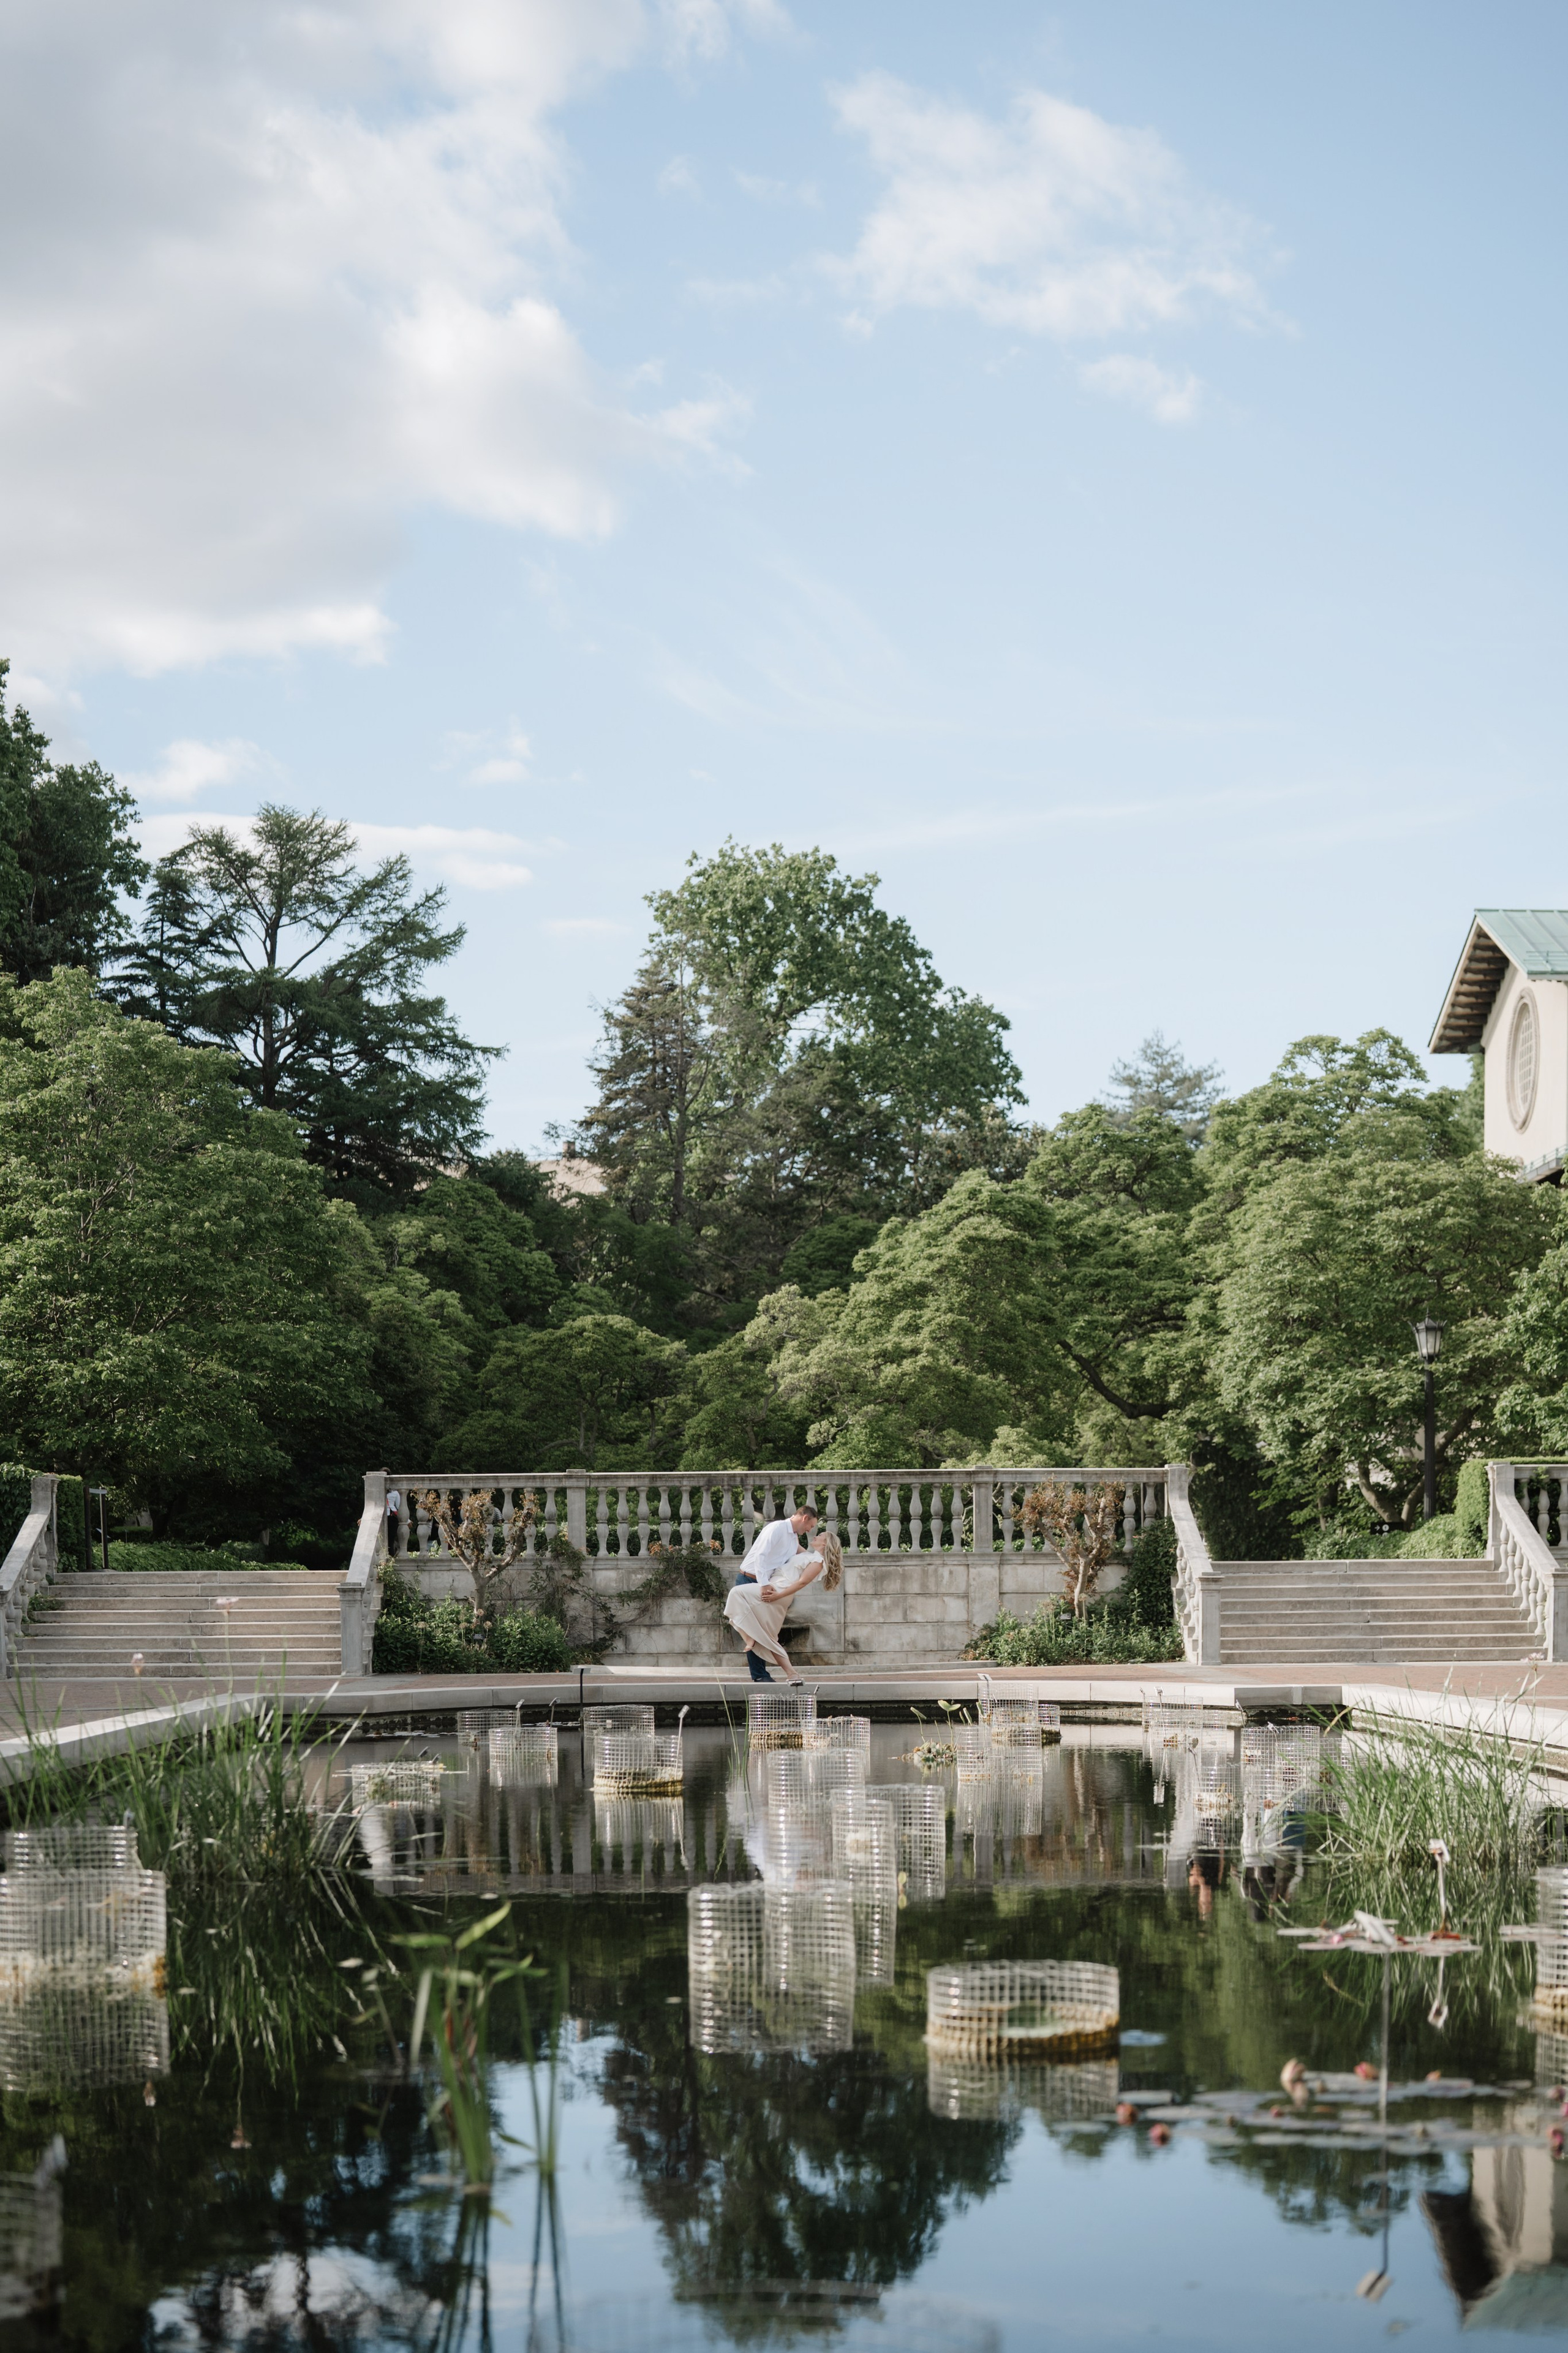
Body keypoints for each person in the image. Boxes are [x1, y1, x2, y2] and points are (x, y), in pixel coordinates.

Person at [724, 1530, 843, 1685]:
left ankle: (750, 1638)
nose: (815, 1536)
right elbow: (793, 1541)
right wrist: (786, 1528)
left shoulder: (818, 1562)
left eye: (820, 1536)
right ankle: (792, 1673)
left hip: (779, 1592)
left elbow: (801, 1583)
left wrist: (777, 1596)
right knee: (768, 1636)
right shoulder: (808, 1555)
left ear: (826, 1543)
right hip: (775, 1590)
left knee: (736, 1593)